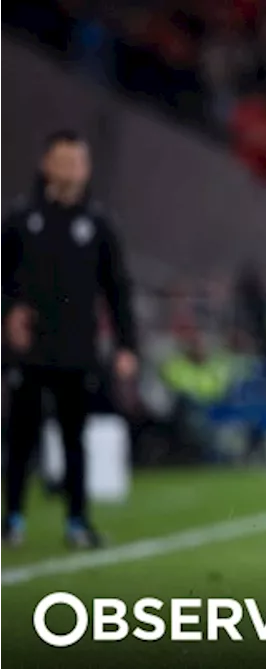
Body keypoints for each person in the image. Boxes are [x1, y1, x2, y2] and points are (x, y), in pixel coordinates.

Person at [0, 130, 138, 550]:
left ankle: (78, 521)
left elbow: (117, 290)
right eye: (64, 160)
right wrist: (9, 313)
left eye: (79, 161)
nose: (72, 169)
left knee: (74, 436)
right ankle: (13, 520)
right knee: (19, 436)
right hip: (29, 350)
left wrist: (126, 346)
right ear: (47, 165)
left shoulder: (97, 224)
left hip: (77, 349)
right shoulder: (21, 219)